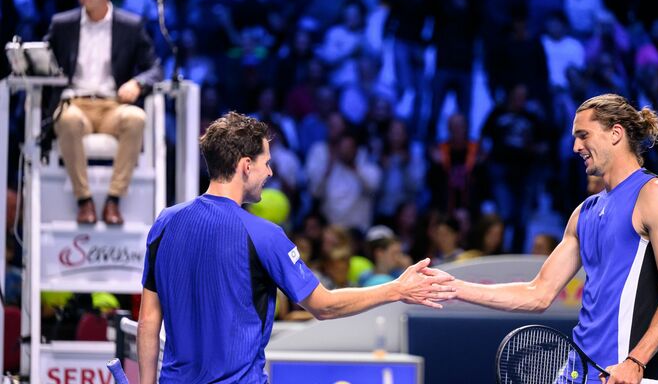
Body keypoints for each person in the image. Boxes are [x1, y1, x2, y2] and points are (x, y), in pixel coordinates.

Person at [137, 112, 454, 384]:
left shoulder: (164, 222)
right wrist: (396, 290)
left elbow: (149, 318)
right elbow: (324, 305)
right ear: (246, 165)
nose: (271, 173)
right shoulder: (263, 234)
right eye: (266, 163)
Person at [437, 94, 658, 383]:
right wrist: (452, 288)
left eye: (583, 135)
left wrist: (636, 361)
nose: (575, 147)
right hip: (575, 373)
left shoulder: (654, 194)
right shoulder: (583, 213)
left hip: (623, 375)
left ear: (616, 133)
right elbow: (538, 292)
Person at [45, 0, 162, 225]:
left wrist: (138, 83)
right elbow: (43, 60)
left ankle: (114, 199)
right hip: (75, 103)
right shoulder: (62, 24)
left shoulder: (130, 25)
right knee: (66, 119)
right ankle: (84, 200)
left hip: (113, 105)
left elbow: (156, 68)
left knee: (136, 118)